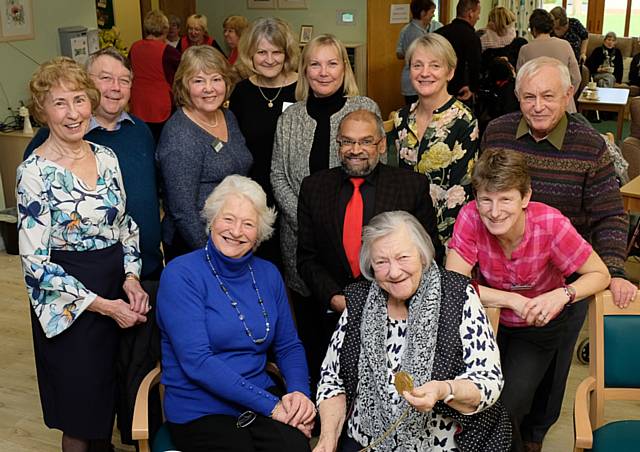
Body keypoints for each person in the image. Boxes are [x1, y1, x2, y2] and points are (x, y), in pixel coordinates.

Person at [481, 56, 637, 451]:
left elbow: (610, 215)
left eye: (549, 96)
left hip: (565, 281)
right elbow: (484, 200)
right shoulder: (497, 132)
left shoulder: (589, 144)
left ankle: (533, 440)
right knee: (493, 377)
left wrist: (614, 270)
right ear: (517, 96)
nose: (538, 105)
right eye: (529, 96)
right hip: (499, 281)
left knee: (550, 375)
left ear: (569, 94)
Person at [17, 56, 149, 451]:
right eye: (59, 103)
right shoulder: (34, 171)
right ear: (43, 110)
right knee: (79, 412)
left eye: (79, 100)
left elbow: (126, 225)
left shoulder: (107, 157)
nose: (72, 113)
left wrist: (131, 277)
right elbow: (35, 264)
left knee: (108, 395)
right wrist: (106, 307)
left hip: (113, 280)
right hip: (70, 299)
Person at [446, 148, 611, 451]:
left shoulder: (550, 224)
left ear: (525, 198)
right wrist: (512, 300)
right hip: (488, 321)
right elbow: (455, 284)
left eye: (506, 199)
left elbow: (600, 275)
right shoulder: (470, 215)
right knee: (474, 403)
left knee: (506, 408)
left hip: (539, 326)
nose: (494, 212)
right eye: (486, 199)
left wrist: (562, 295)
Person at [313, 210, 511, 452]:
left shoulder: (457, 296)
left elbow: (487, 382)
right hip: (368, 440)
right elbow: (332, 381)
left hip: (445, 442)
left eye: (403, 257)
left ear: (422, 254)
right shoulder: (359, 301)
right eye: (381, 262)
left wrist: (444, 390)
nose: (394, 272)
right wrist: (327, 439)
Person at [157, 175, 314, 452]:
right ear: (212, 219)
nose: (236, 231)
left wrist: (299, 395)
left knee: (295, 447)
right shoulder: (181, 274)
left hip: (261, 396)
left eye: (248, 223)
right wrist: (273, 407)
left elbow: (288, 345)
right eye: (228, 219)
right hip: (200, 408)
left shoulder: (268, 274)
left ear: (260, 233)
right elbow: (197, 362)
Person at [296, 109, 443, 396]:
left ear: (381, 145)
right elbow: (306, 256)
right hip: (332, 314)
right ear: (338, 144)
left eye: (365, 142)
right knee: (336, 392)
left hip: (397, 312)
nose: (355, 150)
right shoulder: (314, 187)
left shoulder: (410, 186)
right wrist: (337, 299)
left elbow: (429, 254)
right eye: (347, 142)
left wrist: (390, 300)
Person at [271, 34, 379, 308]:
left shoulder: (364, 108)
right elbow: (278, 175)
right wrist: (307, 221)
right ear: (305, 70)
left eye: (332, 63)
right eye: (315, 64)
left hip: (356, 238)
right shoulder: (290, 117)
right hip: (299, 239)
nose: (323, 72)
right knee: (310, 323)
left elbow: (377, 169)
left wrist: (334, 225)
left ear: (344, 67)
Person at [157, 45, 252, 262]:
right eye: (199, 81)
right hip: (195, 245)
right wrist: (215, 255)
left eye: (216, 79)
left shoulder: (227, 117)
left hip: (230, 237)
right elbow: (183, 211)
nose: (209, 88)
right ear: (185, 86)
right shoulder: (180, 134)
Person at [392, 33, 479, 246]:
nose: (424, 73)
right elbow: (399, 181)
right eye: (417, 65)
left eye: (435, 66)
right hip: (407, 231)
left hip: (447, 234)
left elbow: (462, 190)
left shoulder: (463, 120)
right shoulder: (402, 118)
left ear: (450, 71)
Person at [229, 17, 299, 269]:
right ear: (250, 54)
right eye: (262, 52)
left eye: (276, 52)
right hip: (254, 192)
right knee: (258, 264)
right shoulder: (241, 92)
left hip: (294, 191)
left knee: (294, 266)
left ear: (287, 53)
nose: (269, 59)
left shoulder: (302, 88)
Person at [129, 9, 181, 142]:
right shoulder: (168, 52)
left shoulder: (134, 47)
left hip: (138, 104)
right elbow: (186, 70)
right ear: (165, 29)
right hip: (161, 105)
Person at [516, 9, 581, 113]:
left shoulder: (525, 49)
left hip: (536, 107)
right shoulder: (565, 45)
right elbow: (577, 78)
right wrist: (565, 97)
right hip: (564, 106)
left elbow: (520, 83)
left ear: (533, 28)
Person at [396, 0, 443, 105]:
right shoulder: (415, 33)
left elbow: (400, 52)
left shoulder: (409, 30)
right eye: (431, 12)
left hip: (414, 81)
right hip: (416, 82)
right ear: (423, 13)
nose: (433, 15)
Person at [435, 0, 482, 103]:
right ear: (471, 13)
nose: (478, 17)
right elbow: (475, 66)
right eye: (478, 13)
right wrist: (472, 88)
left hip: (437, 89)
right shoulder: (472, 38)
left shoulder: (438, 34)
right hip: (461, 92)